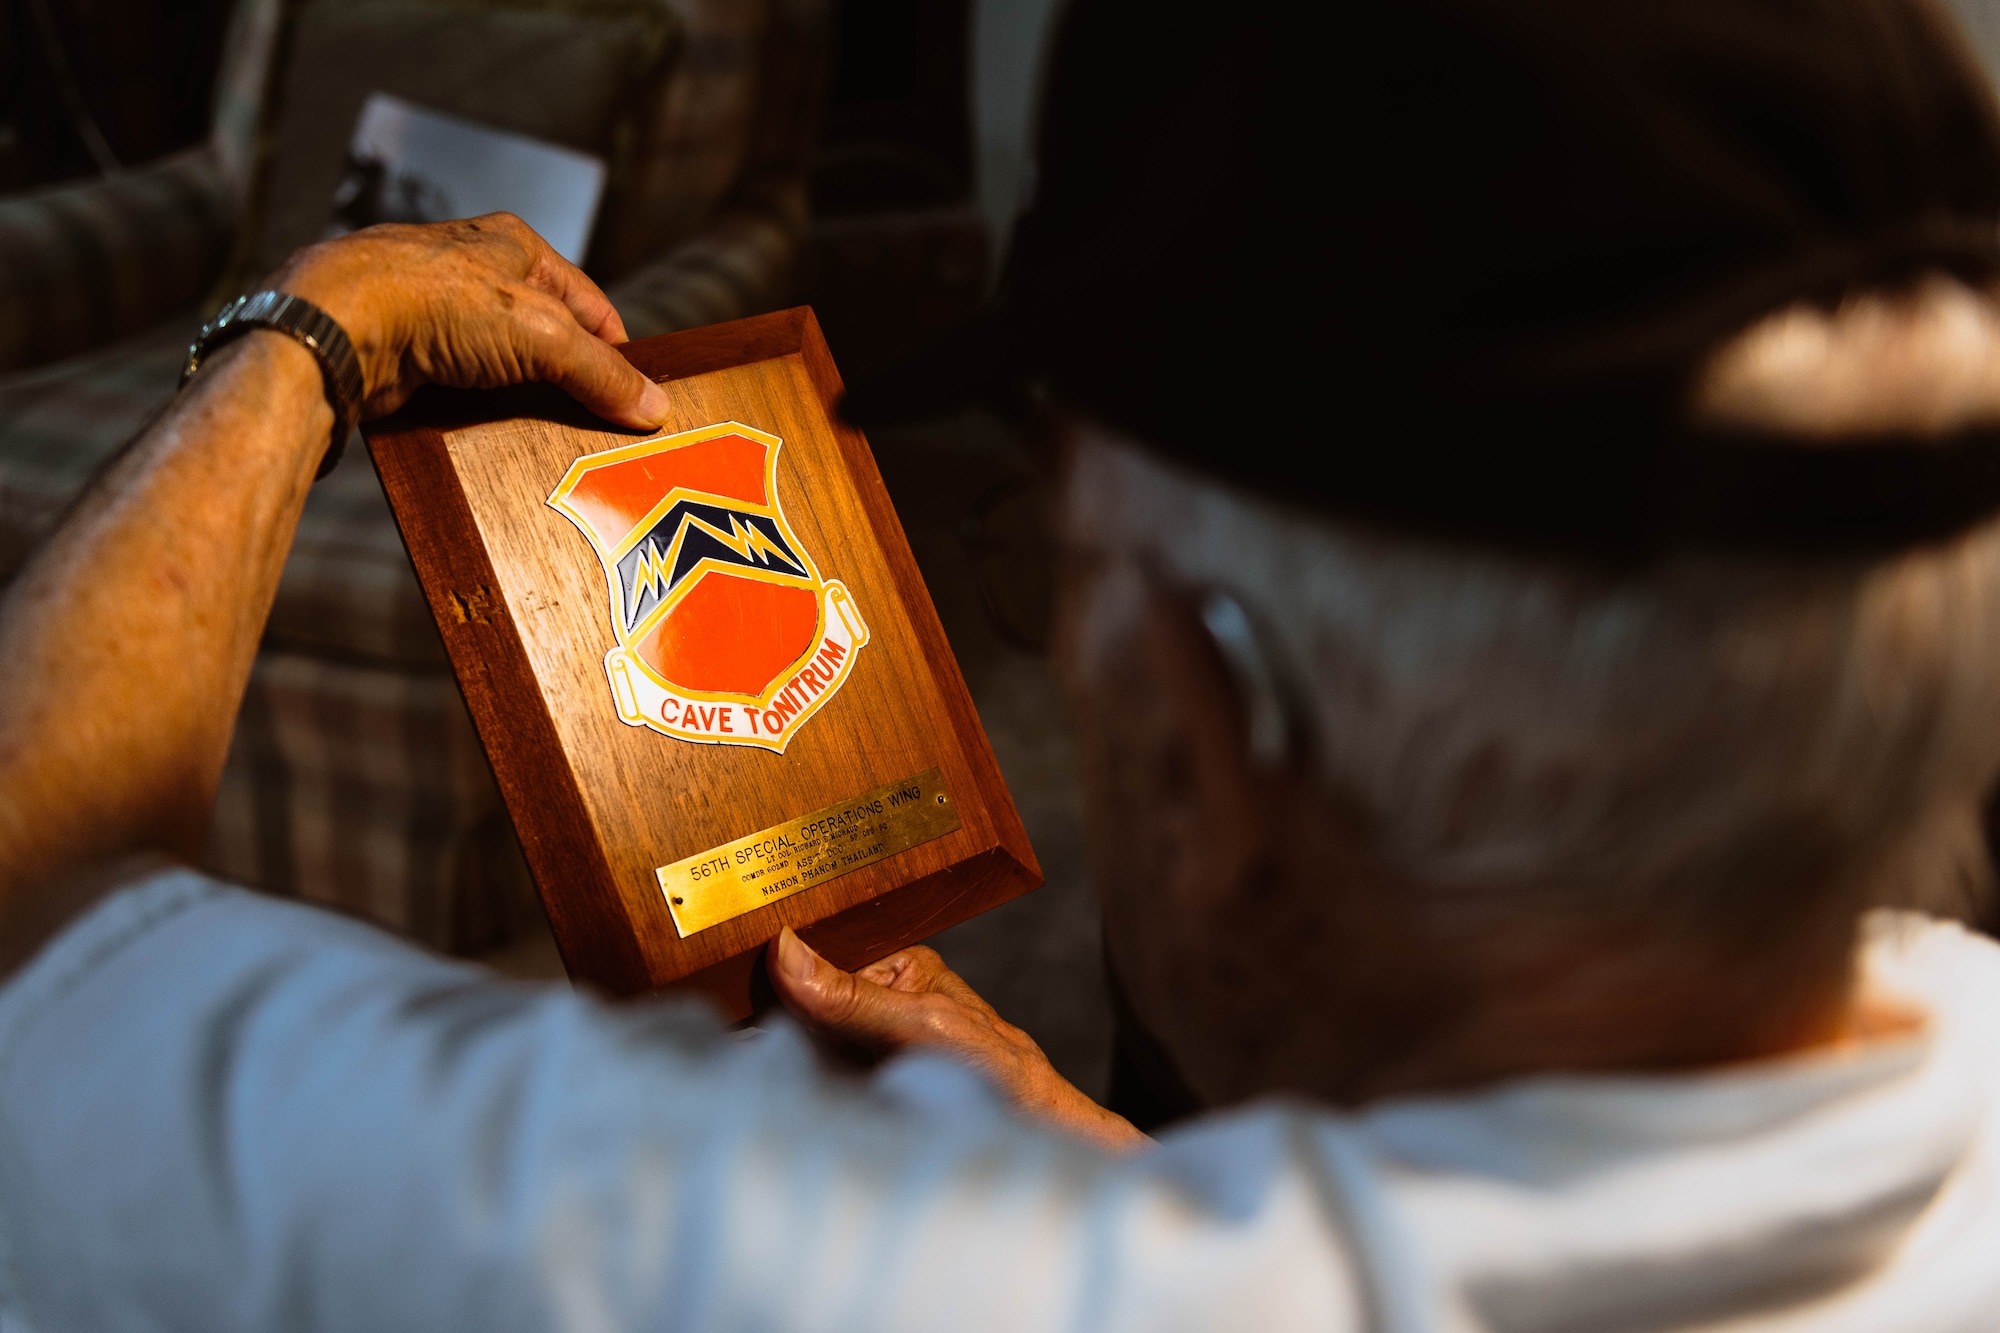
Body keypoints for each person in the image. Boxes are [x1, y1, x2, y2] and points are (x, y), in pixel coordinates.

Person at [10, 1, 2000, 1330]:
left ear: (1212, 733)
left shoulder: (772, 1257)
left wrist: (308, 335)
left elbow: (29, 934)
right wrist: (1095, 1141)